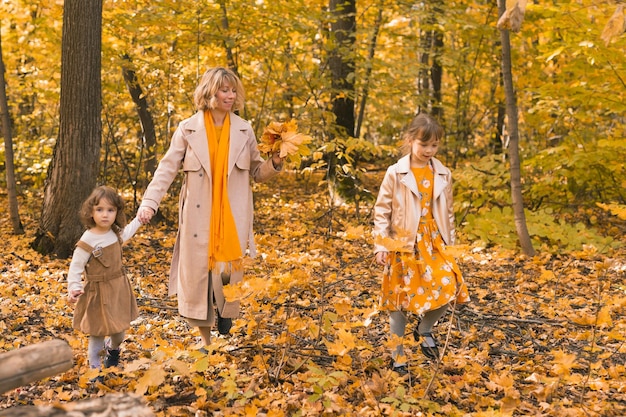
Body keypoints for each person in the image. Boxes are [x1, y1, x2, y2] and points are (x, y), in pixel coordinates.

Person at [136, 66, 283, 349]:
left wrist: (275, 163)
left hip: (232, 213)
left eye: (233, 91)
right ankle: (205, 341)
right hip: (197, 215)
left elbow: (256, 171)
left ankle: (224, 308)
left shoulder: (244, 129)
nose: (230, 96)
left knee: (226, 272)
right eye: (224, 90)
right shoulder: (187, 128)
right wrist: (150, 203)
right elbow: (166, 169)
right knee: (199, 276)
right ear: (209, 92)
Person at [373, 112, 470, 374]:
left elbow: (447, 213)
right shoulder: (396, 172)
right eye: (423, 144)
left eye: (434, 145)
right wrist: (382, 245)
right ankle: (397, 355)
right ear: (410, 141)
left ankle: (424, 328)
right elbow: (382, 211)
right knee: (400, 302)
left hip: (433, 241)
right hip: (402, 242)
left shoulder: (443, 173)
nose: (429, 150)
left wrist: (449, 245)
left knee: (451, 283)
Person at [67, 185, 143, 373]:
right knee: (97, 332)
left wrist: (140, 218)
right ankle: (95, 369)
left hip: (117, 288)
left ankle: (113, 348)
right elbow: (76, 266)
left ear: (116, 212)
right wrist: (74, 286)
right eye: (99, 210)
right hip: (97, 292)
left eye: (110, 210)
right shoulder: (88, 240)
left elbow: (128, 231)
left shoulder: (115, 234)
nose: (105, 215)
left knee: (119, 331)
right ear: (90, 212)